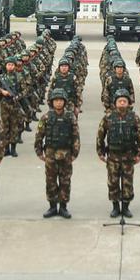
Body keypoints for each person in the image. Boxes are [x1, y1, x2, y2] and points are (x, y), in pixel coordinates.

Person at [96, 89, 140, 218]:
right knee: (113, 182)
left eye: (124, 101)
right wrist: (100, 152)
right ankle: (115, 207)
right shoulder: (108, 117)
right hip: (113, 156)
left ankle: (126, 207)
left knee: (127, 182)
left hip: (129, 156)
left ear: (128, 103)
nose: (122, 103)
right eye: (119, 101)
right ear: (115, 103)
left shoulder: (134, 118)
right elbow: (100, 136)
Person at [35, 88, 80, 218]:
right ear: (52, 102)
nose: (58, 103)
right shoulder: (46, 117)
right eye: (56, 100)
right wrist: (39, 152)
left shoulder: (70, 116)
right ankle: (53, 206)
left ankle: (64, 206)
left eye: (61, 100)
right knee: (51, 181)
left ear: (65, 102)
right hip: (50, 154)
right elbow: (39, 135)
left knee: (65, 181)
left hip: (66, 154)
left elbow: (75, 136)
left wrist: (74, 153)